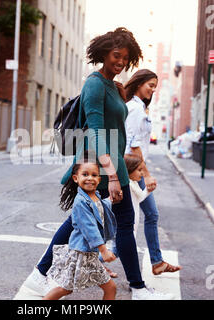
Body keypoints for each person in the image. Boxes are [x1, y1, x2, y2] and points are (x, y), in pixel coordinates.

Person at [25, 28, 174, 300]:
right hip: (100, 168)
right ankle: (138, 289)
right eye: (116, 56)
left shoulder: (113, 85)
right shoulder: (94, 83)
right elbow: (94, 132)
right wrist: (113, 176)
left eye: (125, 58)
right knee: (105, 223)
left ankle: (39, 275)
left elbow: (116, 121)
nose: (120, 62)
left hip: (112, 166)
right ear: (104, 53)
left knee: (83, 222)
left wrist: (121, 93)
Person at [124, 69, 182, 275]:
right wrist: (146, 174)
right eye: (150, 85)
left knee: (148, 215)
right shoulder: (134, 109)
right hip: (132, 171)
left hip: (135, 170)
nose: (153, 90)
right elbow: (133, 144)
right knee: (129, 219)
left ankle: (156, 262)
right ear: (139, 83)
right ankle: (93, 255)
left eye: (155, 86)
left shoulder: (139, 108)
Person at [43, 152, 117, 300]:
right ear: (76, 178)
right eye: (85, 174)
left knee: (110, 288)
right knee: (65, 289)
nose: (90, 178)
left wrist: (111, 200)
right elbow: (89, 227)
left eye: (94, 175)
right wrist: (103, 250)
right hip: (81, 254)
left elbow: (99, 208)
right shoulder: (80, 202)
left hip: (90, 254)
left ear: (99, 179)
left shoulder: (94, 195)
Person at [124, 154, 151, 238]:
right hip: (128, 225)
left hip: (133, 225)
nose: (142, 173)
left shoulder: (134, 183)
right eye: (139, 170)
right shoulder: (128, 186)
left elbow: (138, 198)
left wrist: (148, 190)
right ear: (129, 170)